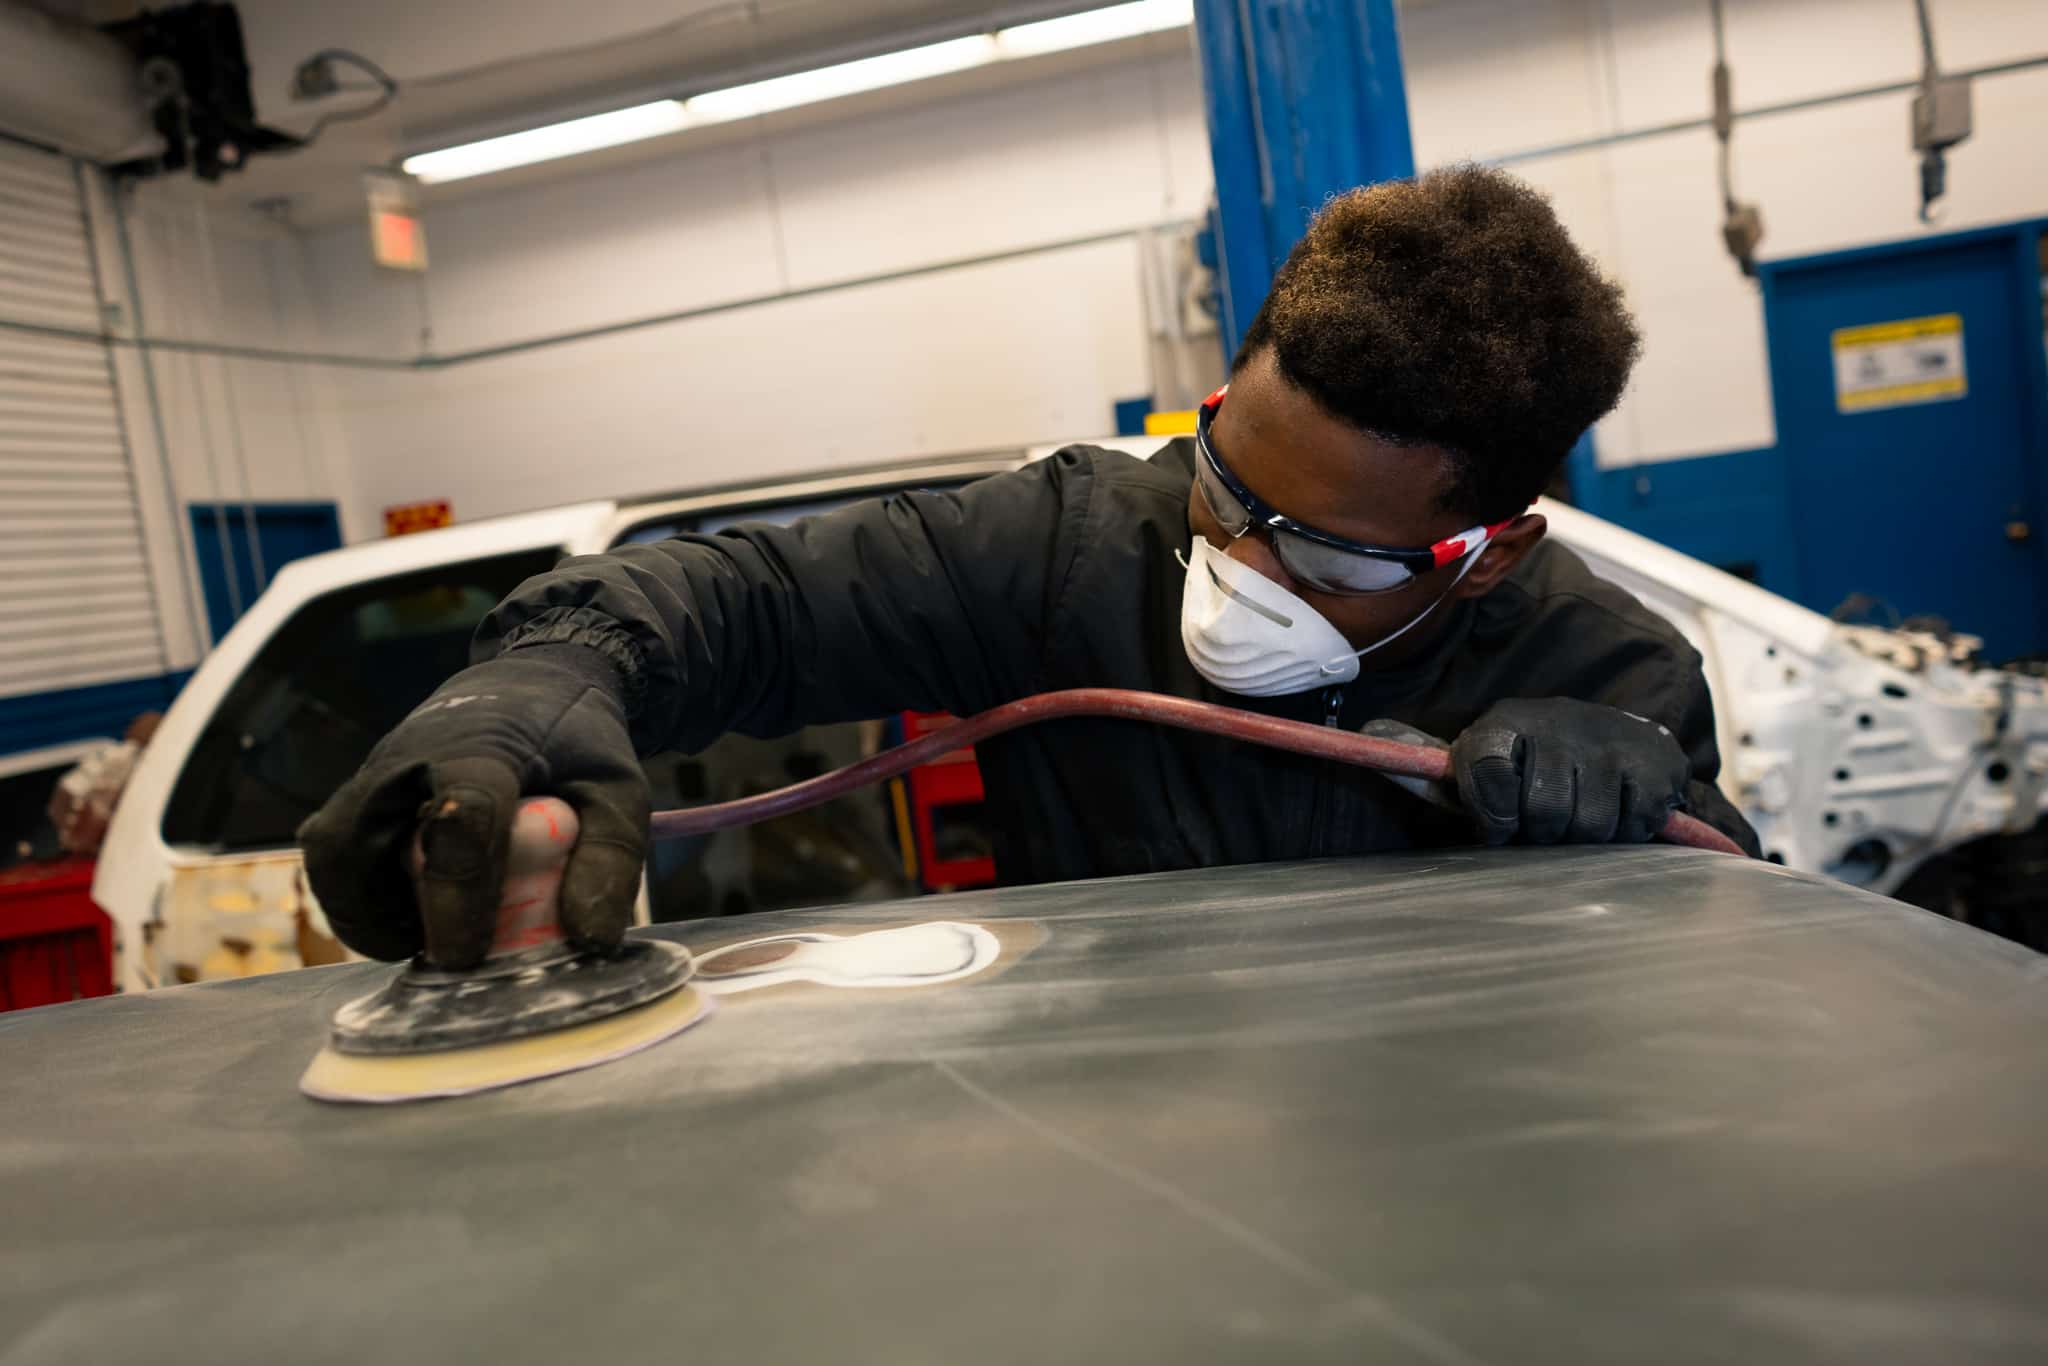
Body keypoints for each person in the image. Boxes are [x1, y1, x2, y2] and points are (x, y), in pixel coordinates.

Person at [300, 165, 1759, 969]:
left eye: (1314, 547)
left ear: (1486, 555)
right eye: (1225, 478)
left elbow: (1723, 989)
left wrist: (1654, 815)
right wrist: (542, 677)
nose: (1229, 558)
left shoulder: (1611, 675)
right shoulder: (1063, 551)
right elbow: (743, 598)